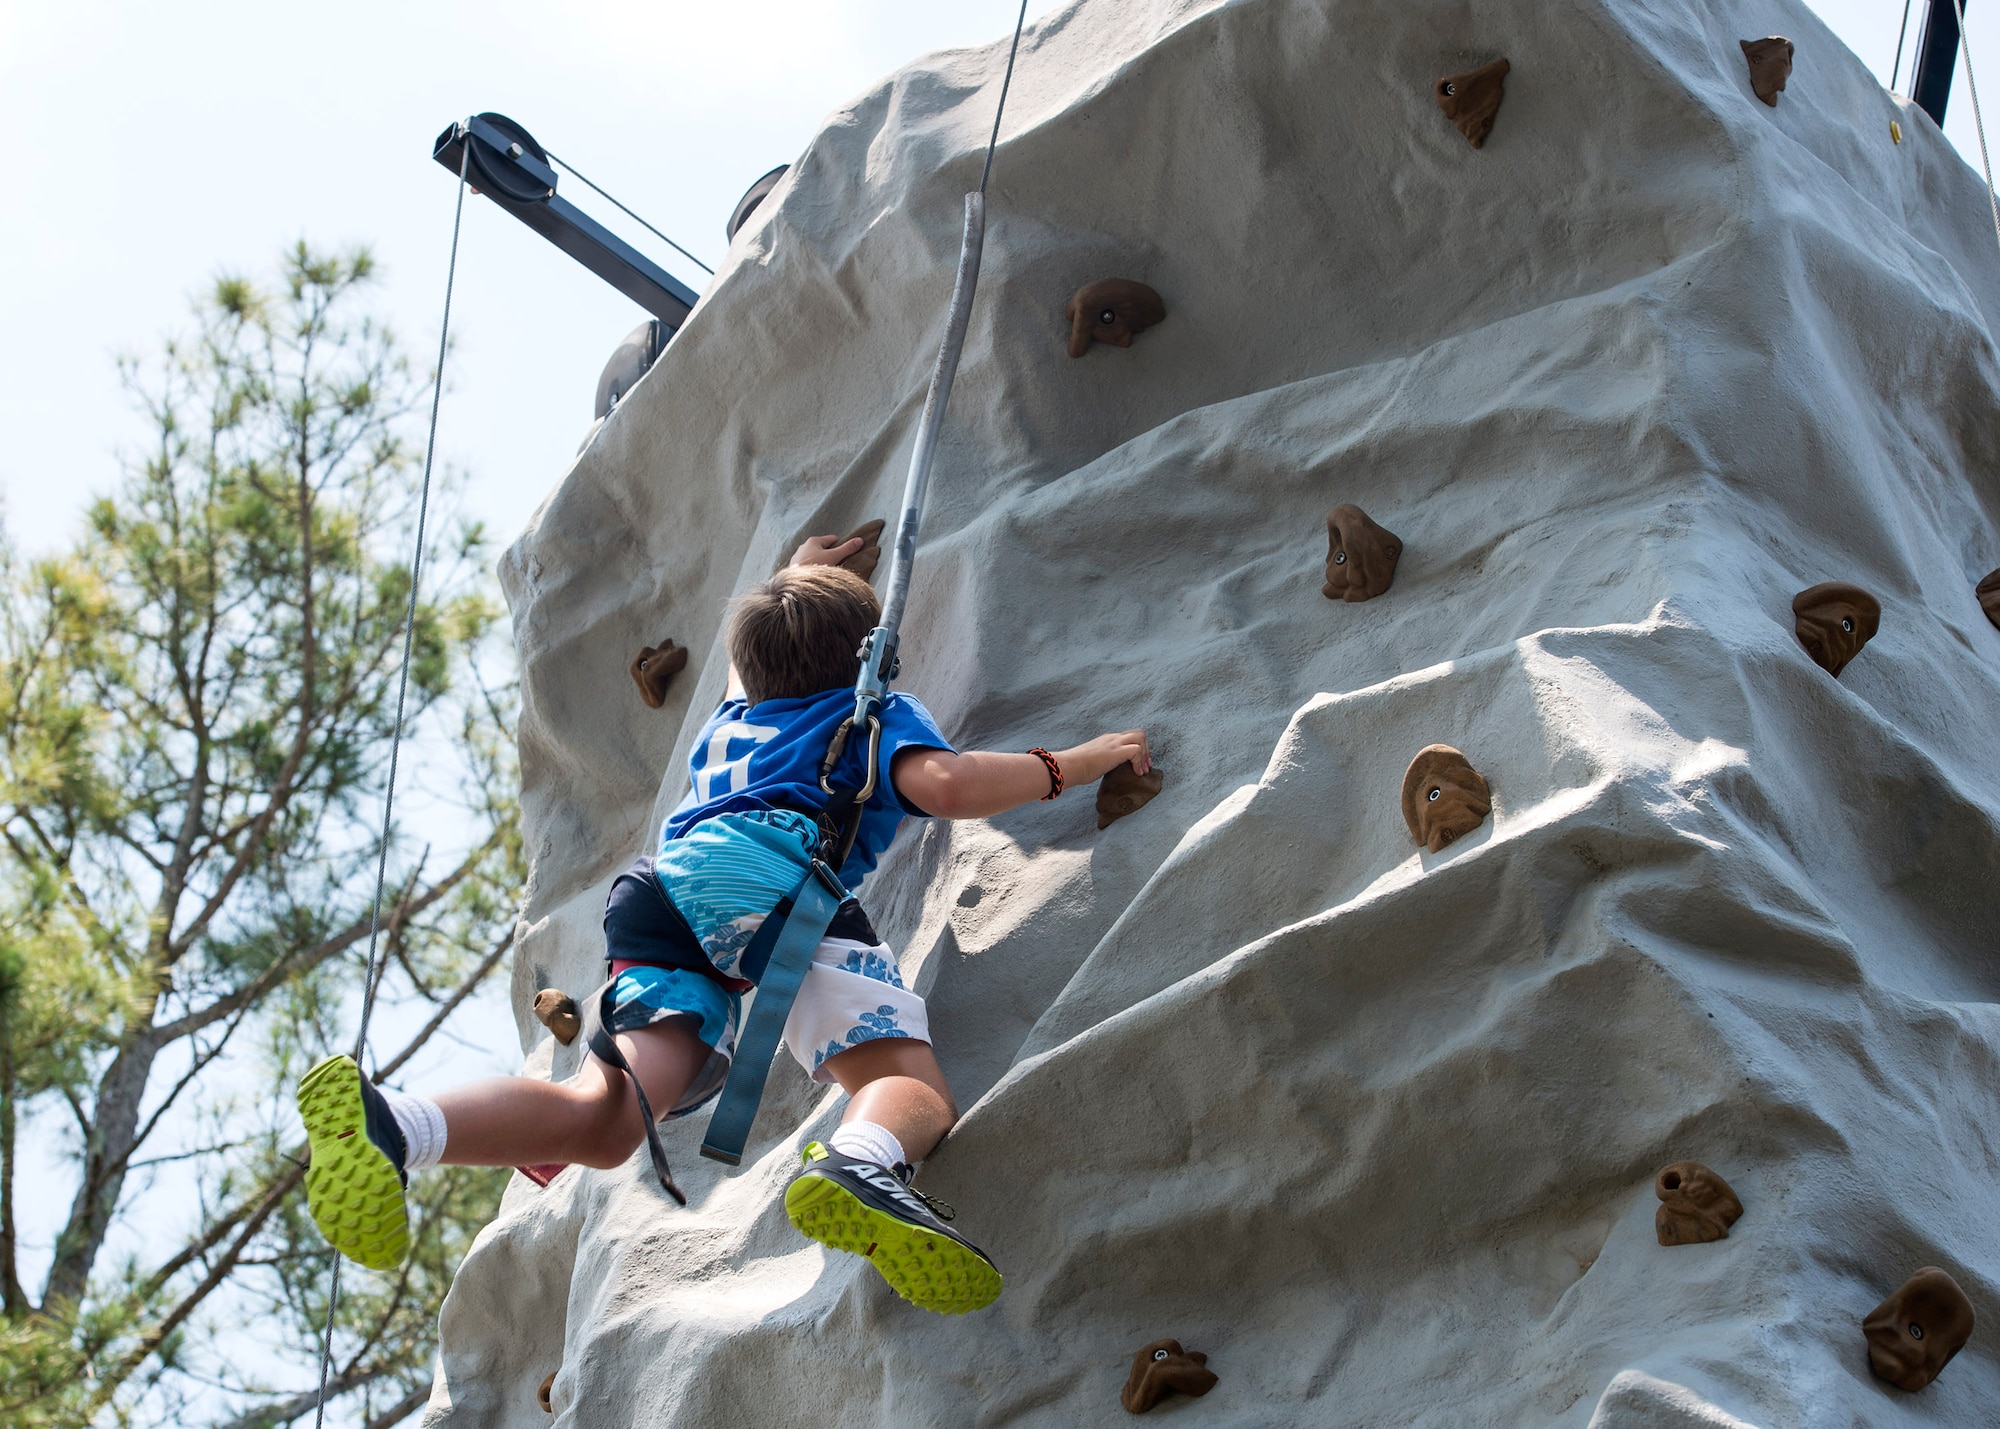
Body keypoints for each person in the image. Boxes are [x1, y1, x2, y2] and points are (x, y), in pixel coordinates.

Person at [296, 532, 1151, 1316]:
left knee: (606, 1118)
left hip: (663, 890)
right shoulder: (867, 712)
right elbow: (952, 787)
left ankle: (397, 1124)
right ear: (870, 660)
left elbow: (753, 663)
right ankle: (864, 1159)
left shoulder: (735, 715)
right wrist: (1076, 762)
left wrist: (787, 573)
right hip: (771, 883)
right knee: (911, 1085)